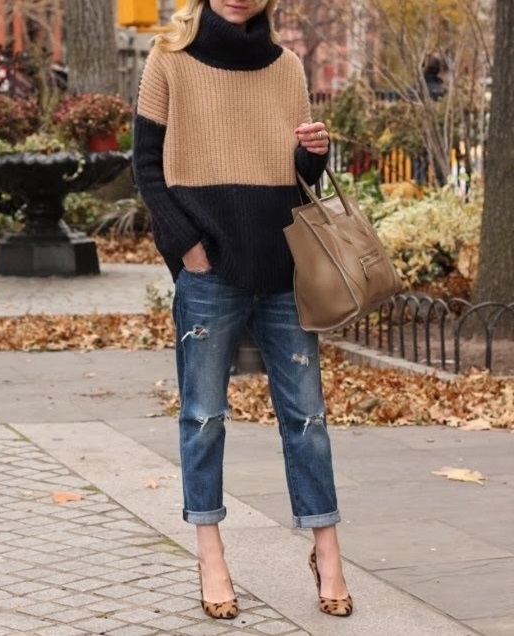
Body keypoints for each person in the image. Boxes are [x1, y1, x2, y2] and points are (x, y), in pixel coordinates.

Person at [133, 0, 352, 621]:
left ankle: (327, 553)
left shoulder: (286, 67)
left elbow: (296, 174)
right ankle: (210, 553)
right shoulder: (169, 59)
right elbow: (147, 166)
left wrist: (314, 151)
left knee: (307, 417)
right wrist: (188, 249)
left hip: (283, 269)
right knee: (203, 417)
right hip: (208, 274)